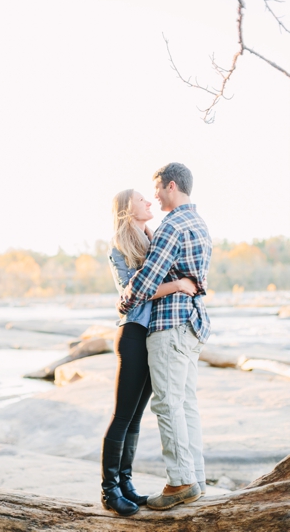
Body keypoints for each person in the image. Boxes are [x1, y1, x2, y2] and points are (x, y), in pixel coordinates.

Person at [117, 162, 212, 511]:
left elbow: (147, 278)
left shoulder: (172, 225)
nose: (154, 196)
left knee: (168, 403)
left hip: (170, 324)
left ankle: (181, 481)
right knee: (186, 403)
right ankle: (196, 478)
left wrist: (125, 297)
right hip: (193, 324)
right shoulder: (199, 223)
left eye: (156, 188)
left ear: (171, 186)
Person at [102, 188, 198, 517]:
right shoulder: (120, 245)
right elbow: (132, 293)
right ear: (128, 211)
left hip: (152, 336)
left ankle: (126, 483)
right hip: (133, 334)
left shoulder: (154, 237)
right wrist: (178, 285)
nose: (149, 202)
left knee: (135, 419)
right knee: (122, 416)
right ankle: (109, 490)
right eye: (141, 200)